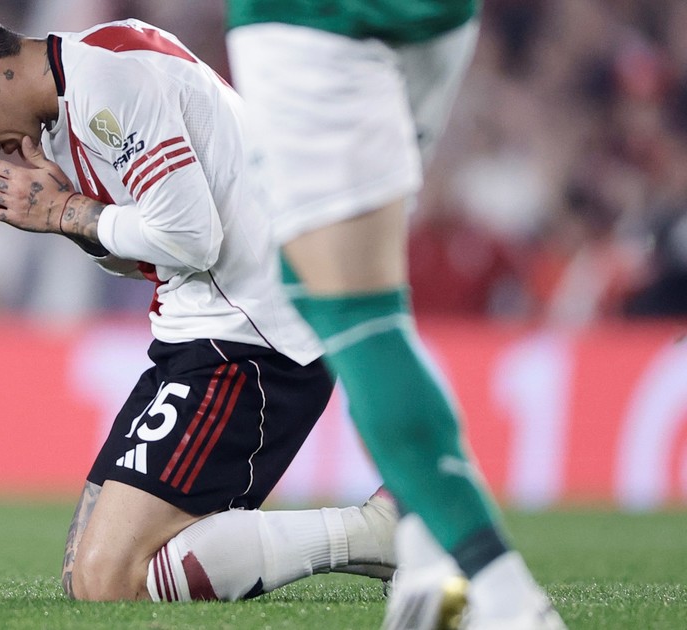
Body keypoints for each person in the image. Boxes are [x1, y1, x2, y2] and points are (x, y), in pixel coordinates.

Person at [0, 0, 397, 603]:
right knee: (86, 577)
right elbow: (151, 246)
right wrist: (67, 219)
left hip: (254, 333)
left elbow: (191, 237)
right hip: (201, 330)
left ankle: (381, 531)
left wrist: (68, 211)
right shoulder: (70, 101)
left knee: (112, 581)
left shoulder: (110, 79)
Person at [225, 1, 565, 628]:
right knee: (319, 277)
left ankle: (508, 600)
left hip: (313, 15)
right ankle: (426, 563)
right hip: (432, 17)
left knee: (349, 306)